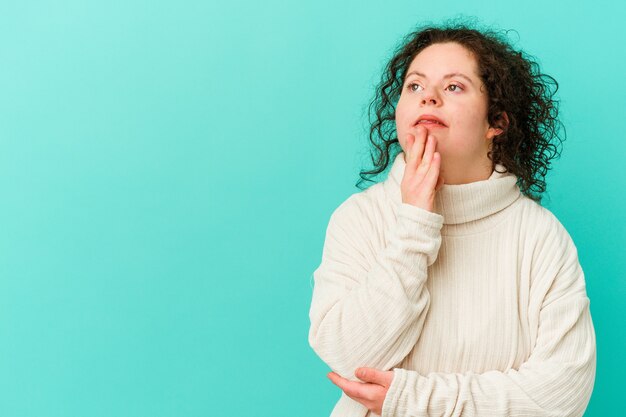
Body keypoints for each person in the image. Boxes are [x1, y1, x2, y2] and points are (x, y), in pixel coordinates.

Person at [307, 20, 596, 417]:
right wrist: (413, 225)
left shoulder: (540, 236)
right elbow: (352, 359)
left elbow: (562, 396)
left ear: (496, 122)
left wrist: (413, 399)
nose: (428, 98)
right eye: (415, 86)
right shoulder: (359, 218)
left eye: (454, 87)